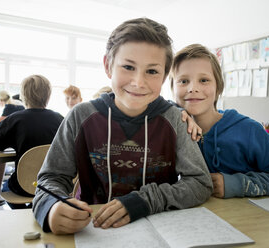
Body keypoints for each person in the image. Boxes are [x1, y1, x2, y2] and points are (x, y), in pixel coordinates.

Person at [32, 18, 213, 235]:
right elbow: (50, 180)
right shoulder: (80, 116)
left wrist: (144, 201)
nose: (138, 82)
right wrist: (52, 206)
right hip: (93, 228)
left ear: (165, 76)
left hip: (161, 228)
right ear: (108, 66)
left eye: (152, 71)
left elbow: (200, 183)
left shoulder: (176, 120)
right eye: (128, 67)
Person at [170, 44, 269, 199]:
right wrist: (175, 110)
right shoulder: (170, 129)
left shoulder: (249, 131)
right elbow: (154, 105)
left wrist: (236, 184)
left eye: (204, 80)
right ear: (172, 89)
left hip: (244, 219)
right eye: (183, 81)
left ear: (218, 88)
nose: (193, 88)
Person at [0, 75, 64, 207]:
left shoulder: (15, 119)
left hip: (23, 187)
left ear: (23, 95)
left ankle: (23, 213)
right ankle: (38, 211)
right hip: (55, 186)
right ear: (48, 96)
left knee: (6, 188)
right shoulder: (60, 119)